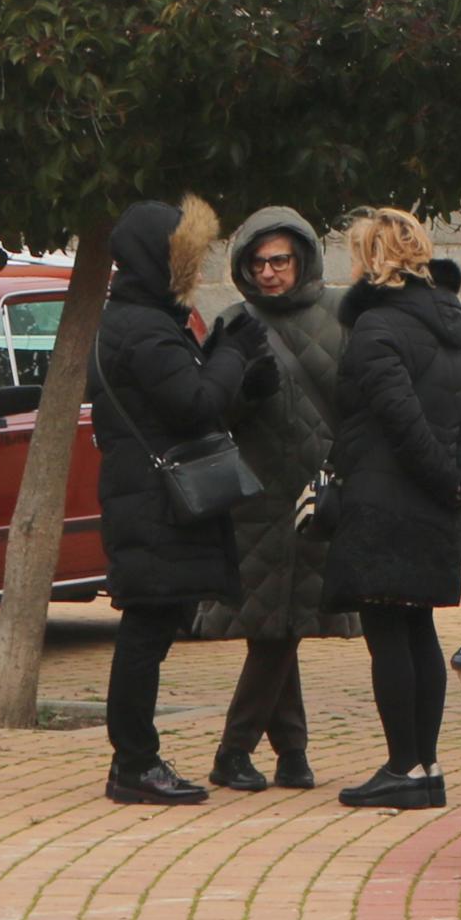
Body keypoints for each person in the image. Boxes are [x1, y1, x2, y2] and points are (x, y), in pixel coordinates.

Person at [90, 198, 267, 807]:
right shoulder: (141, 327)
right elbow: (194, 404)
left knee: (151, 628)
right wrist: (234, 349)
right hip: (151, 505)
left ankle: (136, 759)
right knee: (146, 630)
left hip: (146, 499)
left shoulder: (140, 318)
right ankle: (135, 763)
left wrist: (224, 353)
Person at [326, 208, 461, 809]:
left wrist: (446, 476)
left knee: (389, 632)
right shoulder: (449, 328)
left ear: (372, 259)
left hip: (385, 498)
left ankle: (403, 765)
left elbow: (400, 421)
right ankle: (427, 764)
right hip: (434, 501)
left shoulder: (376, 328)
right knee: (417, 627)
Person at [203, 208, 348, 794]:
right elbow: (210, 407)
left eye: (280, 260)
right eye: (258, 262)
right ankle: (243, 751)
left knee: (282, 623)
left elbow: (356, 396)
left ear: (303, 259)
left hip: (319, 491)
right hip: (255, 494)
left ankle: (285, 751)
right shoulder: (234, 322)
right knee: (273, 625)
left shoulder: (341, 317)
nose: (269, 273)